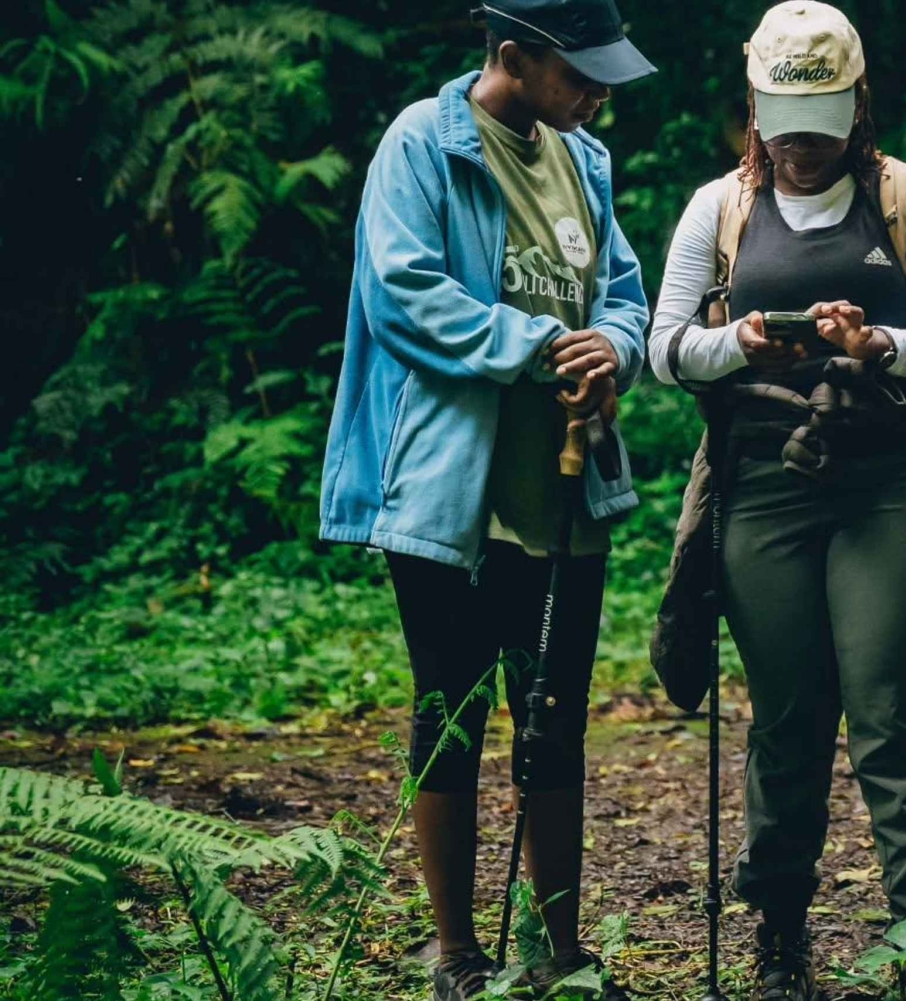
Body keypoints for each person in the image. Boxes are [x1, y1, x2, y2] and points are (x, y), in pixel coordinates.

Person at [651, 4, 906, 999]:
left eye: (821, 121)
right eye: (784, 122)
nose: (801, 145)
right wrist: (741, 343)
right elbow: (665, 347)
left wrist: (877, 344)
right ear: (755, 112)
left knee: (888, 710)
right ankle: (780, 931)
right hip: (764, 485)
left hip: (892, 480)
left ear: (856, 112)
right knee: (788, 715)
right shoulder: (719, 208)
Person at [318, 2, 655, 998]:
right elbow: (403, 291)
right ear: (512, 57)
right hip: (450, 501)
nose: (596, 94)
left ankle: (562, 950)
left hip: (563, 494)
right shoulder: (422, 144)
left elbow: (625, 293)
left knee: (554, 721)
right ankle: (458, 953)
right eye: (578, 74)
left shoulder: (583, 159)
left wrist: (615, 347)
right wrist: (542, 346)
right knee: (450, 714)